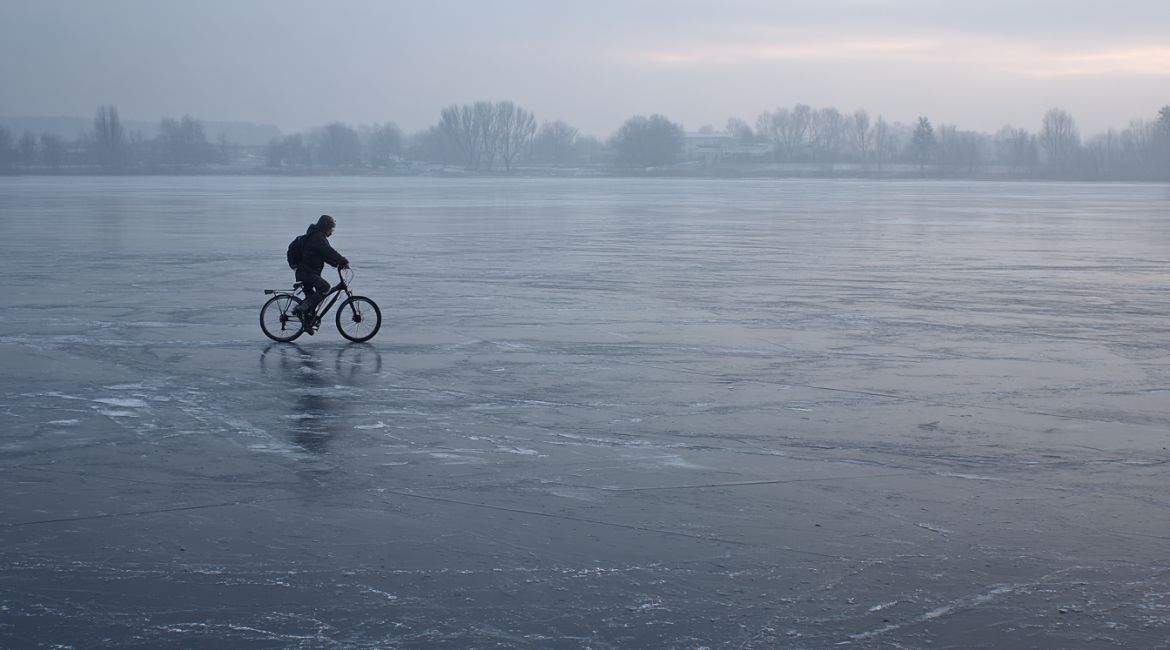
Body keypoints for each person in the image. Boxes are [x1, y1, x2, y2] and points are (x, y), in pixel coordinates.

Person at [292, 214, 349, 332]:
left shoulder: (316, 235)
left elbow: (324, 256)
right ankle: (300, 309)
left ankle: (307, 323)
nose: (331, 232)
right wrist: (342, 260)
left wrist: (336, 264)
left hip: (305, 272)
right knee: (325, 287)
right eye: (331, 228)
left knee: (312, 301)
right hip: (306, 273)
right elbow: (328, 252)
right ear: (325, 226)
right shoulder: (317, 237)